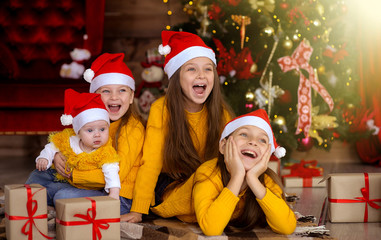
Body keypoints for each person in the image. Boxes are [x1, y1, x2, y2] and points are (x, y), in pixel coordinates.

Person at [126, 30, 235, 222]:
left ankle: (213, 207)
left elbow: (229, 163)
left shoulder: (221, 114)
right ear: (177, 77)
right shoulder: (161, 109)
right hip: (173, 182)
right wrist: (138, 210)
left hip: (208, 180)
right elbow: (150, 163)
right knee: (195, 202)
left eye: (208, 69)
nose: (201, 75)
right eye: (191, 69)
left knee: (216, 183)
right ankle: (211, 208)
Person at [27, 53, 145, 220]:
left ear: (132, 96)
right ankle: (52, 204)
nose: (114, 97)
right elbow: (71, 142)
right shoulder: (90, 120)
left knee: (64, 196)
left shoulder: (133, 129)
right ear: (94, 96)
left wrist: (73, 174)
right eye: (106, 91)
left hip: (118, 194)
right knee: (37, 177)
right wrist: (57, 157)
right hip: (87, 184)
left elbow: (117, 175)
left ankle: (55, 204)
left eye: (122, 90)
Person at [151, 109, 297, 236]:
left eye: (262, 140)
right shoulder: (208, 172)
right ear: (223, 145)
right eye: (244, 135)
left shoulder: (266, 180)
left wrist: (252, 179)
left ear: (268, 153)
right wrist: (238, 176)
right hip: (163, 191)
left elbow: (287, 226)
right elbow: (211, 229)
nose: (253, 142)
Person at [34, 88, 120, 199]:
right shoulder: (70, 139)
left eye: (102, 129)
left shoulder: (106, 152)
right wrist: (44, 158)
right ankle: (27, 195)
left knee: (60, 195)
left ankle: (46, 203)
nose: (97, 135)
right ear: (78, 132)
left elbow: (112, 173)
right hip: (67, 181)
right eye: (90, 130)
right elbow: (52, 147)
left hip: (87, 189)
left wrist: (114, 194)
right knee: (38, 174)